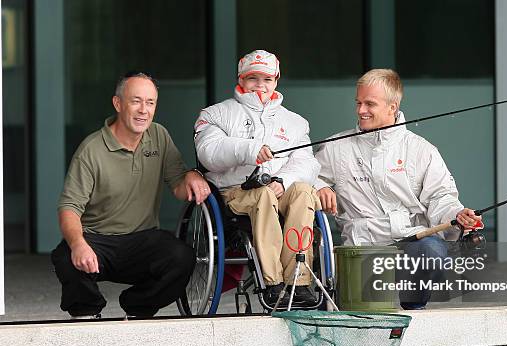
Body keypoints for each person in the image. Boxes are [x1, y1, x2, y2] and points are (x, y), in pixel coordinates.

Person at [314, 69, 481, 309]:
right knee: (362, 317)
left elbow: (441, 197)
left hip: (411, 238)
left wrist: (456, 215)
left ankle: (414, 308)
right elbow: (305, 175)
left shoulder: (422, 150)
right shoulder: (336, 147)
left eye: (370, 104)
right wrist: (319, 186)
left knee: (432, 251)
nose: (361, 110)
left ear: (392, 107)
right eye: (358, 103)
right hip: (361, 246)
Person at [51, 72, 210, 318]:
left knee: (181, 257)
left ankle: (137, 306)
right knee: (65, 256)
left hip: (142, 239)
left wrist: (191, 175)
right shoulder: (91, 150)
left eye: (150, 103)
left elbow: (179, 186)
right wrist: (79, 244)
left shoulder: (159, 136)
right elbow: (69, 207)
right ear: (118, 104)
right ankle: (87, 312)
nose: (143, 110)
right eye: (136, 101)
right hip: (98, 240)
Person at [194, 50, 321, 306]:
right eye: (253, 78)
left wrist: (282, 180)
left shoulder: (296, 123)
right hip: (235, 191)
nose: (260, 85)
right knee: (262, 195)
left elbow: (307, 161)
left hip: (279, 190)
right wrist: (250, 150)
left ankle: (299, 280)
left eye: (267, 79)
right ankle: (272, 282)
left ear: (276, 80)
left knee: (305, 192)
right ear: (241, 79)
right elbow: (209, 153)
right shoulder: (214, 114)